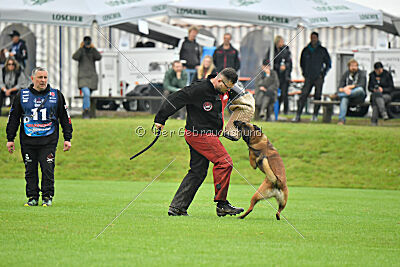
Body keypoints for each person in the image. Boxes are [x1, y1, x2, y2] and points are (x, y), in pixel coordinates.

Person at [154, 68, 244, 217]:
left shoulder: (222, 89)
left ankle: (177, 208)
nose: (227, 91)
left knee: (198, 172)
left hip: (207, 134)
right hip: (200, 134)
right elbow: (175, 99)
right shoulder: (198, 89)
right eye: (227, 87)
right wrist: (160, 119)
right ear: (219, 80)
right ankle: (222, 205)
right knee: (224, 162)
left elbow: (241, 97)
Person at [6, 67, 73, 206]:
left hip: (48, 140)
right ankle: (32, 197)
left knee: (47, 169)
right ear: (32, 79)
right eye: (40, 77)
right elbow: (13, 117)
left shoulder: (56, 95)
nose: (43, 81)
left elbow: (65, 118)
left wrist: (67, 138)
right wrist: (10, 138)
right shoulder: (22, 95)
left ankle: (47, 197)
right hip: (28, 140)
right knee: (30, 170)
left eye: (45, 78)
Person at [293, 32, 331, 122]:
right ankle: (298, 114)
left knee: (317, 96)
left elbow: (328, 64)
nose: (313, 39)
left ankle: (315, 115)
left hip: (319, 77)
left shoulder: (322, 50)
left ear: (317, 38)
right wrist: (304, 73)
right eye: (312, 37)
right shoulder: (306, 50)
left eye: (314, 37)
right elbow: (301, 63)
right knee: (303, 95)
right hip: (308, 77)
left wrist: (323, 73)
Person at [72, 36, 102, 119]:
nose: (87, 43)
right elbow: (74, 57)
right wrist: (81, 48)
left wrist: (93, 48)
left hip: (92, 78)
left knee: (87, 96)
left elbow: (99, 57)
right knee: (87, 94)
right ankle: (86, 111)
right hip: (83, 78)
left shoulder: (93, 51)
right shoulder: (81, 51)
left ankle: (87, 112)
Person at [264, 35, 292, 115]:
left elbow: (289, 63)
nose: (282, 43)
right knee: (274, 93)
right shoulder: (272, 50)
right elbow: (268, 62)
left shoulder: (286, 50)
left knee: (284, 94)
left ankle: (286, 110)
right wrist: (278, 67)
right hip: (275, 75)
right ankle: (273, 110)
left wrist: (285, 67)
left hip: (284, 76)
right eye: (281, 41)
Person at [337, 59, 367, 125]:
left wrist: (349, 87)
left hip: (359, 97)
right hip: (349, 96)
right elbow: (339, 87)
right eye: (352, 66)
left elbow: (361, 85)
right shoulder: (346, 74)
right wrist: (345, 89)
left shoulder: (362, 73)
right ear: (349, 67)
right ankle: (341, 120)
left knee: (360, 89)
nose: (353, 67)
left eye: (355, 66)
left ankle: (339, 95)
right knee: (344, 99)